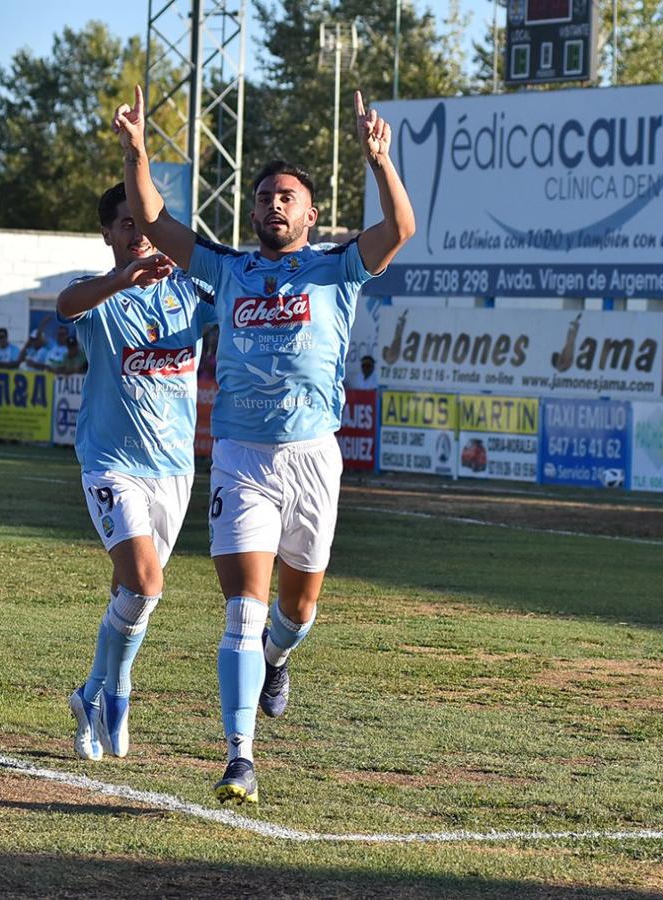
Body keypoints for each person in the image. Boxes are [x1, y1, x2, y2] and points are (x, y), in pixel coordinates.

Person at [114, 85, 415, 804]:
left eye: (288, 197)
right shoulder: (226, 267)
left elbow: (399, 228)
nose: (274, 204)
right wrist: (137, 156)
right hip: (242, 458)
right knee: (242, 611)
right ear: (252, 212)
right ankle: (239, 757)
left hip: (313, 459)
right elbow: (155, 218)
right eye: (264, 197)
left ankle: (280, 659)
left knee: (296, 611)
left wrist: (380, 162)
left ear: (310, 214)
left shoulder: (337, 269)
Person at [58, 182, 215, 762]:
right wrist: (125, 278)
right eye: (125, 224)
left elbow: (244, 307)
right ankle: (119, 691)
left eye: (146, 221)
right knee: (146, 583)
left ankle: (88, 694)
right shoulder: (101, 294)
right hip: (111, 464)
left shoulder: (192, 291)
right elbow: (65, 305)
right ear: (107, 233)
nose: (139, 232)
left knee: (133, 595)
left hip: (175, 469)